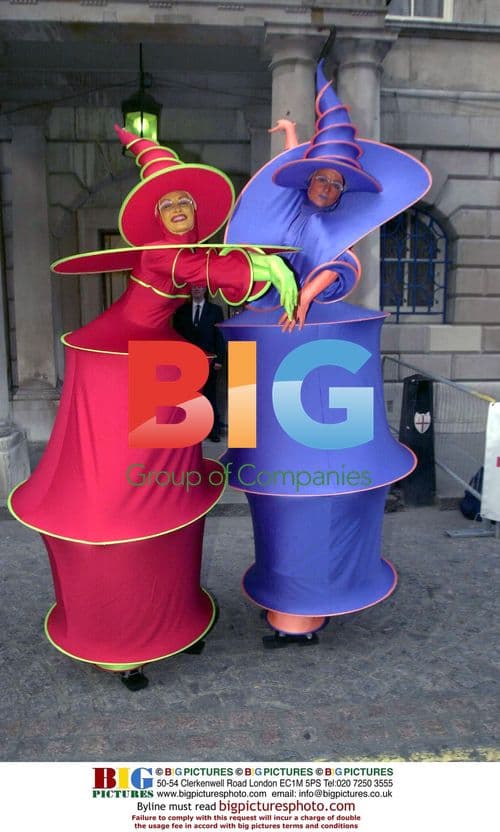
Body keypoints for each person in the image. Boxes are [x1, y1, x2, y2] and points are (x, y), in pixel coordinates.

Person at [9, 126, 297, 689]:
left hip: (151, 360)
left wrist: (267, 258)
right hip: (119, 355)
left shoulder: (182, 251)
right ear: (157, 217)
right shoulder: (168, 255)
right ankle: (122, 639)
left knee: (169, 489)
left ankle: (170, 617)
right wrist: (270, 269)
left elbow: (213, 268)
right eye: (169, 204)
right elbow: (213, 272)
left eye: (185, 202)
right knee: (126, 490)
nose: (179, 211)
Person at [221, 60, 431, 643]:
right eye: (322, 178)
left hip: (305, 368)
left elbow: (335, 266)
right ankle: (293, 604)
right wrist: (292, 141)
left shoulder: (325, 235)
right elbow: (275, 227)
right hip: (268, 362)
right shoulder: (287, 217)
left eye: (337, 183)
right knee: (277, 491)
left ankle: (304, 609)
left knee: (314, 495)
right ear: (307, 180)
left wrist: (306, 297)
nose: (328, 187)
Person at [173, 284, 225, 442]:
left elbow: (219, 336)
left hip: (209, 360)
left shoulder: (215, 310)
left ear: (205, 290)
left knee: (209, 395)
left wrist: (219, 359)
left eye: (200, 287)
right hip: (187, 361)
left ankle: (213, 430)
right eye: (193, 287)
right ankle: (189, 428)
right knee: (188, 396)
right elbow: (177, 336)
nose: (196, 289)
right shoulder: (181, 311)